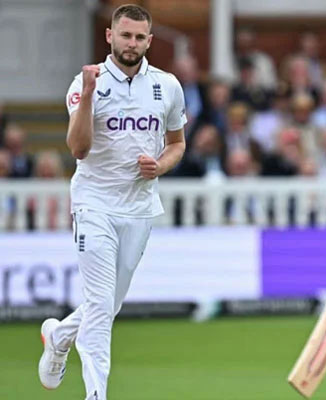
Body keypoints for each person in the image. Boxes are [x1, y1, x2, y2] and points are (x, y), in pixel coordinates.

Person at [37, 5, 187, 400]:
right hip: (94, 205)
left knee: (107, 306)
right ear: (110, 36)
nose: (132, 44)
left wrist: (160, 166)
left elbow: (177, 144)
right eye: (125, 35)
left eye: (139, 37)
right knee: (101, 307)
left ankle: (59, 335)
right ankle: (96, 394)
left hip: (139, 209)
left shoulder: (167, 85)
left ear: (149, 41)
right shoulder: (87, 82)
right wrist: (87, 94)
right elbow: (78, 148)